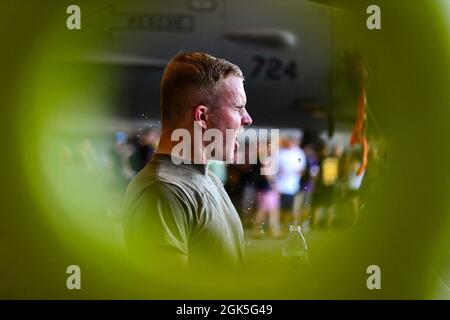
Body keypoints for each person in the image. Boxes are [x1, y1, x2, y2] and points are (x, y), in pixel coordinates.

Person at [123, 52, 253, 274]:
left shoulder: (209, 178)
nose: (247, 119)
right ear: (202, 117)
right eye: (238, 107)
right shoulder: (162, 191)